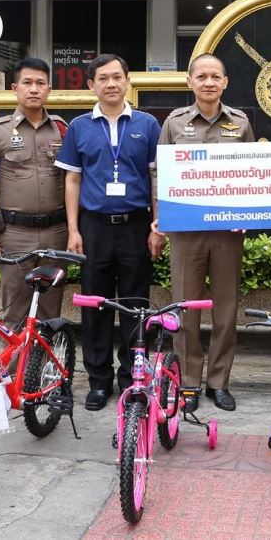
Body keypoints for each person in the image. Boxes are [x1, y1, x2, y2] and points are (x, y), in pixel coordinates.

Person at [55, 54, 164, 411]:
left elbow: (154, 177)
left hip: (135, 225)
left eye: (118, 77)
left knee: (135, 305)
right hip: (94, 228)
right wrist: (74, 229)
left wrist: (156, 225)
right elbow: (72, 179)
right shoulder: (80, 127)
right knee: (95, 306)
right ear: (92, 85)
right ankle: (99, 381)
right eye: (103, 78)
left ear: (128, 80)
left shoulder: (147, 124)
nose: (111, 84)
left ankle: (132, 378)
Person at [153, 53, 254, 412]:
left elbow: (250, 173)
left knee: (226, 310)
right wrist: (160, 218)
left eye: (216, 76)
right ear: (190, 82)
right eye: (202, 76)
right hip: (186, 230)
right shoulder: (175, 124)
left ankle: (219, 382)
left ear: (225, 82)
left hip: (228, 231)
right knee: (185, 308)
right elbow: (160, 173)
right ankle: (189, 381)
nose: (209, 82)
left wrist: (247, 212)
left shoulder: (241, 123)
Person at [0, 58, 69, 330]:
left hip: (55, 232)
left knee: (50, 312)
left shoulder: (62, 129)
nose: (34, 89)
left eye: (40, 83)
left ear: (49, 89)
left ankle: (44, 371)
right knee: (15, 311)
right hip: (15, 234)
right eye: (27, 83)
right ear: (15, 88)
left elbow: (74, 181)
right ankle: (12, 373)